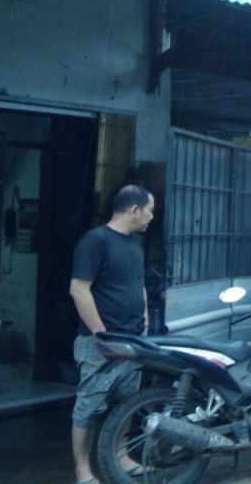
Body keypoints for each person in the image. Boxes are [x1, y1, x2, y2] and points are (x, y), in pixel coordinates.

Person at [70, 185, 155, 484]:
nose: (152, 216)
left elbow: (138, 283)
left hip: (132, 340)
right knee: (89, 406)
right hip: (99, 343)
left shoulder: (136, 243)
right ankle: (83, 470)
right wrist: (100, 333)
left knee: (127, 402)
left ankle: (121, 455)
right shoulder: (95, 241)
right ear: (134, 209)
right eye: (150, 210)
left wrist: (144, 319)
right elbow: (79, 289)